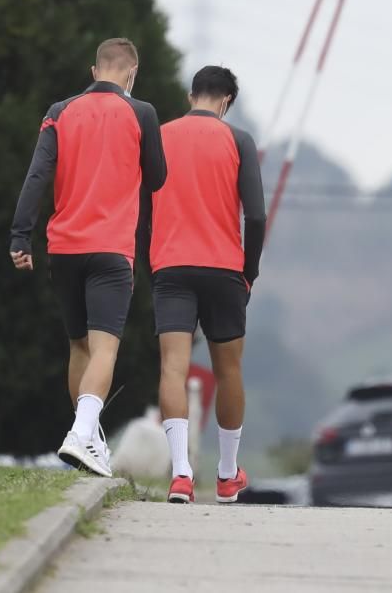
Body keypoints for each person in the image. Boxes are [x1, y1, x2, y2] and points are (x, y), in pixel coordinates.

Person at [10, 37, 167, 477]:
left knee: (78, 344)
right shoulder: (141, 112)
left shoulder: (59, 112)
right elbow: (157, 177)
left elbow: (38, 173)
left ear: (93, 69)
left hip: (63, 249)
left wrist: (20, 236)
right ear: (131, 74)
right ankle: (81, 435)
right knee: (105, 347)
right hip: (111, 250)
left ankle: (88, 436)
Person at [142, 66, 265, 504]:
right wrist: (248, 272)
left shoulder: (160, 135)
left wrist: (149, 261)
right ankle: (228, 475)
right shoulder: (239, 141)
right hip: (224, 270)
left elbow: (142, 204)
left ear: (191, 94)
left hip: (171, 267)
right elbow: (255, 215)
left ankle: (180, 475)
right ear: (227, 101)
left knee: (172, 367)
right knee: (228, 369)